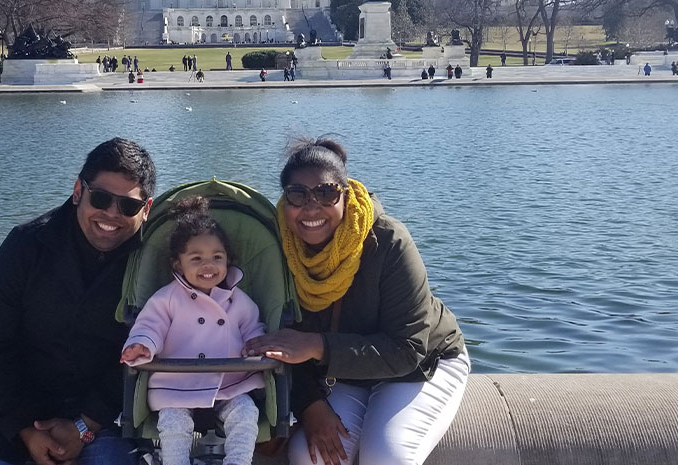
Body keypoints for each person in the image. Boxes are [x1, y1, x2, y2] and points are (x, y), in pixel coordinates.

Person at [244, 139, 469, 465]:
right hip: (343, 374)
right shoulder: (279, 247)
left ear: (345, 196)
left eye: (325, 193)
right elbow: (283, 344)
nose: (310, 208)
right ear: (283, 200)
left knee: (387, 456)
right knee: (312, 457)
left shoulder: (389, 241)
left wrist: (318, 346)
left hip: (421, 365)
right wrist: (311, 408)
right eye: (297, 195)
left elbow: (408, 348)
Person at [0, 139, 156, 465]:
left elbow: (152, 350)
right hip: (16, 415)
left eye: (127, 206)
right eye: (100, 198)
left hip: (108, 416)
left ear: (147, 209)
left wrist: (85, 425)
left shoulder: (155, 263)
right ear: (77, 191)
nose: (111, 215)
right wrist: (27, 429)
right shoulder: (25, 247)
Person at [121, 196, 264, 465]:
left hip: (229, 383)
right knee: (173, 421)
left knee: (246, 413)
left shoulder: (238, 299)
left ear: (228, 261)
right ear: (178, 264)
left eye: (217, 258)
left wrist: (256, 344)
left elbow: (253, 327)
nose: (208, 265)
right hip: (178, 384)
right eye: (196, 258)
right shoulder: (168, 298)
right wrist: (143, 344)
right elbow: (150, 325)